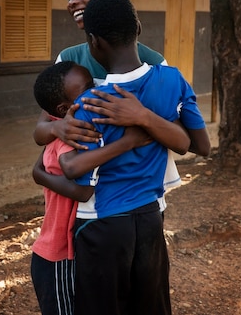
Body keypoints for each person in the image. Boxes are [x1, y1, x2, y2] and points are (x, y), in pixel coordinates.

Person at [60, 0, 206, 315]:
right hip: (151, 217)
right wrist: (148, 119)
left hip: (101, 223)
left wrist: (48, 169)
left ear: (93, 43)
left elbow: (80, 182)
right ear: (138, 27)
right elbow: (200, 145)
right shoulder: (173, 80)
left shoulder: (91, 104)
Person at [33, 0, 210, 210]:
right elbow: (40, 130)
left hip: (142, 198)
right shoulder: (69, 61)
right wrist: (56, 129)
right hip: (87, 205)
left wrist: (141, 117)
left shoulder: (154, 65)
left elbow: (188, 140)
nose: (72, 1)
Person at [30, 60, 156, 315]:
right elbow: (82, 190)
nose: (97, 89)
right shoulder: (72, 135)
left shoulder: (63, 130)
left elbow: (40, 165)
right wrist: (127, 143)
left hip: (68, 248)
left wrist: (38, 174)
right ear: (65, 108)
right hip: (59, 254)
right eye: (88, 88)